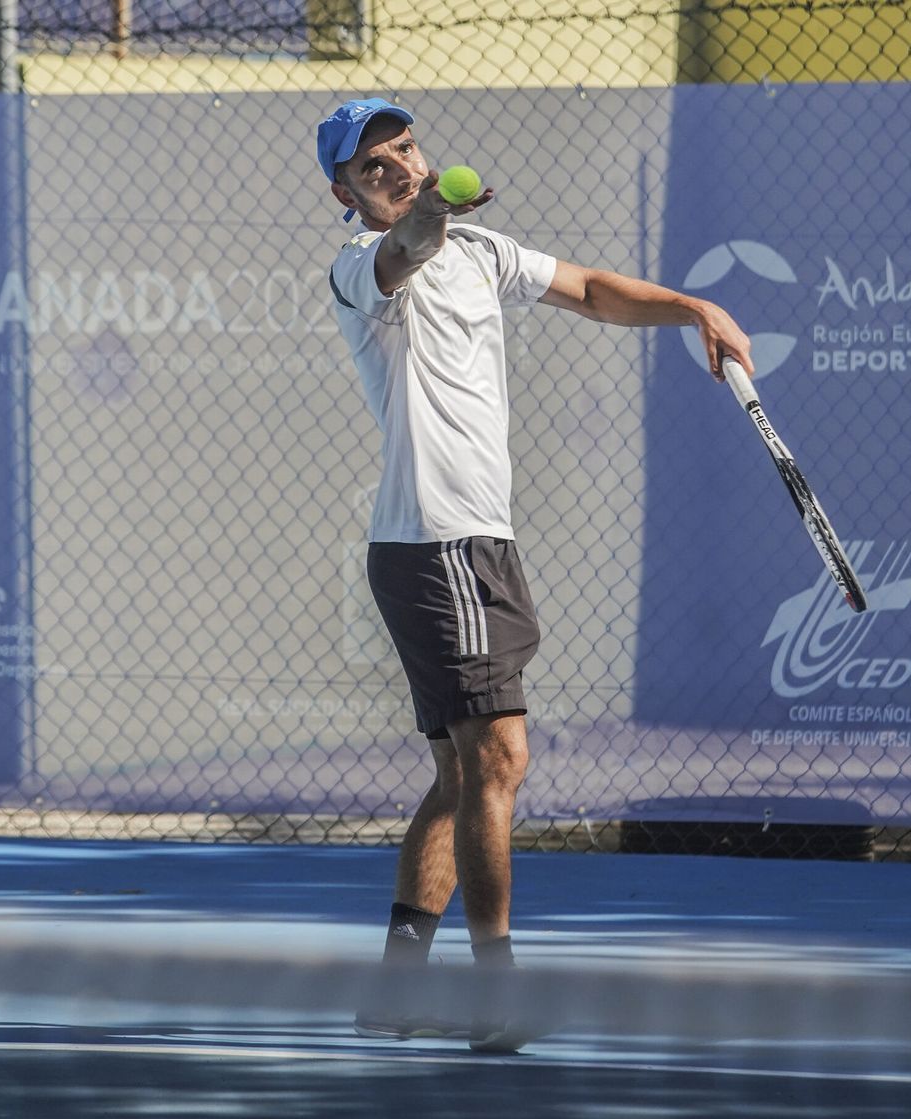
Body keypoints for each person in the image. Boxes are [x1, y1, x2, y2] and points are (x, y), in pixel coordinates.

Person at [316, 97, 753, 1053]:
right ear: (346, 193)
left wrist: (694, 307)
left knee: (462, 770)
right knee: (499, 759)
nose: (397, 165)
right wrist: (432, 211)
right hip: (438, 543)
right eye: (372, 165)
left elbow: (590, 289)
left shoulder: (483, 252)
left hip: (475, 541)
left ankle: (397, 985)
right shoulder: (360, 265)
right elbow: (408, 247)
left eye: (404, 147)